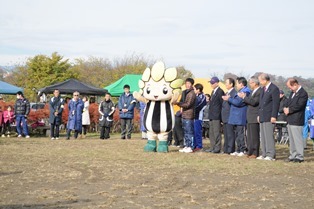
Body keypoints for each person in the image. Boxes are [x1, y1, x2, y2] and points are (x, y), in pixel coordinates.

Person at [223, 77, 251, 156]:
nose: (237, 85)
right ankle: (238, 149)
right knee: (237, 134)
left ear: (241, 84)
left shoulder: (246, 91)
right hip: (235, 116)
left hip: (240, 116)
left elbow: (238, 102)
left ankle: (242, 149)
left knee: (241, 134)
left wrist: (229, 99)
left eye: (237, 83)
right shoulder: (239, 92)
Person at [284, 78, 308, 163]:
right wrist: (285, 108)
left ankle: (300, 156)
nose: (289, 89)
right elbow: (288, 102)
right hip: (290, 119)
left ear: (295, 84)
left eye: (290, 87)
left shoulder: (303, 93)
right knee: (292, 139)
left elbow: (300, 105)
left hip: (297, 119)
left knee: (297, 139)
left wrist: (289, 110)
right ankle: (293, 155)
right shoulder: (292, 93)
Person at [257, 73, 280, 161]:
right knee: (263, 136)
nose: (260, 83)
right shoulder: (263, 89)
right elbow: (261, 103)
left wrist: (274, 115)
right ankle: (264, 153)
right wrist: (259, 114)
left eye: (260, 81)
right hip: (262, 116)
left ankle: (271, 154)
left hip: (269, 116)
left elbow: (275, 104)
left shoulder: (274, 89)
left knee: (269, 136)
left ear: (265, 80)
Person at [240, 76, 261, 158]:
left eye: (251, 83)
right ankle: (250, 151)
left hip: (255, 115)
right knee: (249, 135)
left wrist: (244, 97)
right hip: (249, 116)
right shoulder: (252, 91)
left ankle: (255, 152)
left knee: (254, 136)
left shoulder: (259, 91)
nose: (249, 84)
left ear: (255, 83)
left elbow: (254, 102)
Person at [176, 78, 196, 153]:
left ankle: (190, 146)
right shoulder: (186, 92)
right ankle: (187, 145)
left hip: (189, 115)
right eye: (186, 83)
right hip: (184, 115)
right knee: (185, 131)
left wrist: (178, 103)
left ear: (192, 84)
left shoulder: (191, 93)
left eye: (189, 83)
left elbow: (188, 104)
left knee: (189, 132)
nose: (187, 85)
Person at [206, 77, 224, 153]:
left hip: (217, 115)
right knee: (211, 132)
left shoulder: (220, 92)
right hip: (211, 115)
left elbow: (221, 104)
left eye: (212, 83)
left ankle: (217, 147)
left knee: (216, 132)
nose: (211, 84)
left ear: (217, 83)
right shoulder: (213, 92)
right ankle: (212, 146)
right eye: (211, 83)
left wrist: (221, 116)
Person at [221, 78, 237, 154]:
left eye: (227, 83)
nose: (225, 84)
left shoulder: (234, 93)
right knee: (226, 134)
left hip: (230, 116)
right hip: (225, 116)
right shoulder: (226, 93)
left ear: (231, 84)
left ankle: (231, 149)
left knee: (230, 134)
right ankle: (226, 148)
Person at [193, 83, 207, 152]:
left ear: (198, 90)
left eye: (194, 89)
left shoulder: (202, 96)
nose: (194, 90)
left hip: (199, 117)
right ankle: (194, 145)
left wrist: (192, 109)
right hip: (194, 117)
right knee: (194, 132)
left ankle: (199, 146)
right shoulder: (196, 96)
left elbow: (199, 106)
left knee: (197, 131)